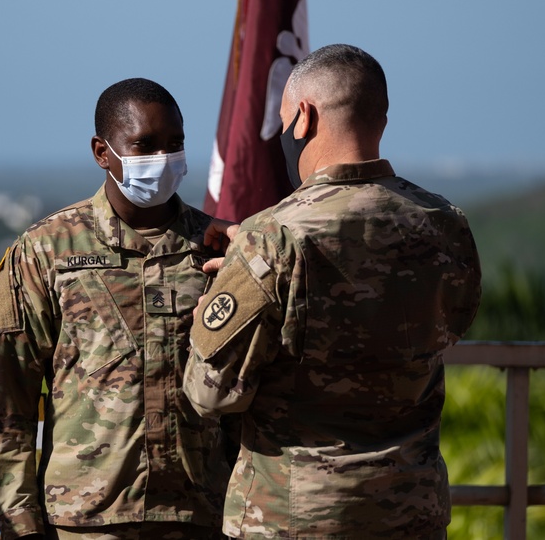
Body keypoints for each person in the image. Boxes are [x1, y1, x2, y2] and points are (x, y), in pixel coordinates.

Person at [184, 44, 482, 539]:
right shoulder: (444, 223)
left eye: (283, 121)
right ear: (379, 118)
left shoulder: (272, 236)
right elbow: (454, 326)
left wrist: (232, 281)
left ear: (303, 117)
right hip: (412, 512)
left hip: (296, 519)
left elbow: (211, 393)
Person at [0, 78, 232, 540]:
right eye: (144, 145)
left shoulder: (218, 248)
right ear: (102, 152)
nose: (163, 159)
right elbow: (6, 406)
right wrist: (21, 526)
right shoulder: (45, 252)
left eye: (175, 145)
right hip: (86, 521)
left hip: (202, 513)